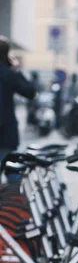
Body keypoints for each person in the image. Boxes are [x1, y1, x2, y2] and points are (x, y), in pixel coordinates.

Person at [0, 36, 36, 182]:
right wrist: (17, 70)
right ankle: (13, 203)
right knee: (13, 175)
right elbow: (30, 92)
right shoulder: (9, 74)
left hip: (6, 135)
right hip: (7, 135)